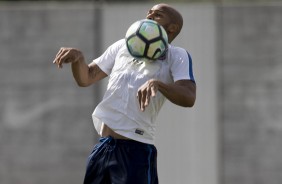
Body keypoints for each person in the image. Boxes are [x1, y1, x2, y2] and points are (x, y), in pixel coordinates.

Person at [53, 3, 196, 184]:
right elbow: (86, 78)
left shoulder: (176, 55)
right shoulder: (123, 46)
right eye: (149, 13)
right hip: (103, 148)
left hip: (135, 151)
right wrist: (78, 59)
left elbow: (189, 96)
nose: (149, 16)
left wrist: (158, 84)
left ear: (172, 28)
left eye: (157, 15)